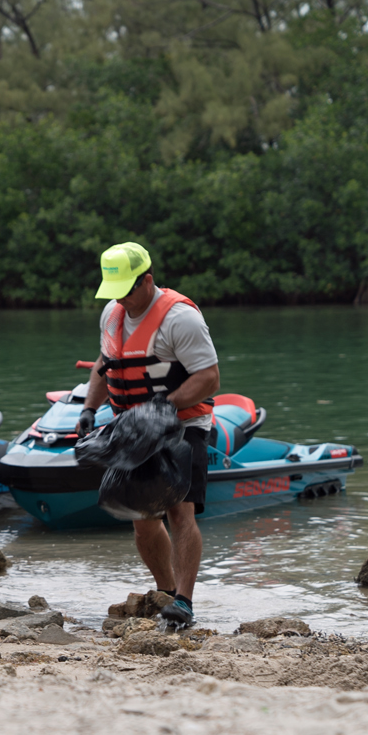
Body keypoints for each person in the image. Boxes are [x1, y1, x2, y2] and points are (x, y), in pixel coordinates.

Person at [77, 242, 219, 630]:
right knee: (141, 517)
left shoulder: (180, 319)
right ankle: (167, 592)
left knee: (179, 510)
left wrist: (165, 407)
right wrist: (89, 409)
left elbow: (209, 378)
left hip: (183, 424)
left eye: (127, 288)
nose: (121, 297)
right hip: (133, 428)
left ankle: (185, 603)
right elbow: (104, 367)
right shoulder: (112, 314)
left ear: (148, 280)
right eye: (115, 290)